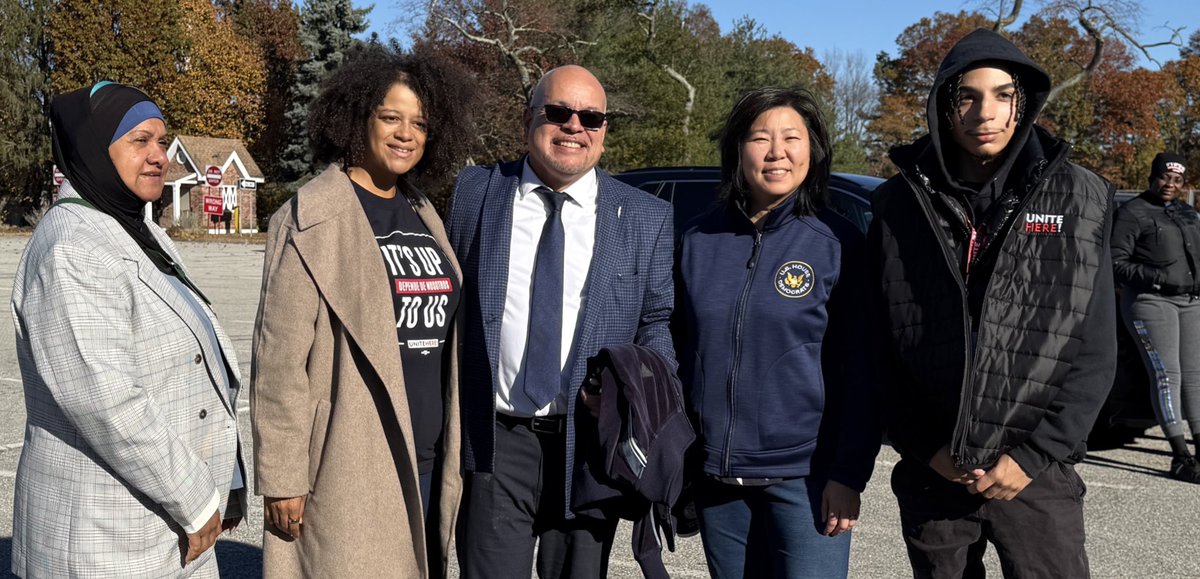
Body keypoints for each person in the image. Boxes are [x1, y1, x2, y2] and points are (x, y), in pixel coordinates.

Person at [867, 29, 1117, 578]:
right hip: (936, 472)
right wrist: (924, 445)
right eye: (968, 97)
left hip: (1034, 476)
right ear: (944, 105)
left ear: (1022, 103)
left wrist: (1035, 455)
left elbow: (1095, 348)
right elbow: (880, 345)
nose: (985, 113)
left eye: (1003, 95)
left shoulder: (1083, 197)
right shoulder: (896, 203)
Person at [251, 44, 474, 577]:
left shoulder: (423, 211)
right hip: (349, 459)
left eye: (420, 123)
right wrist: (282, 476)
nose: (406, 134)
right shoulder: (311, 216)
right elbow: (279, 360)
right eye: (391, 117)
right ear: (358, 119)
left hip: (427, 452)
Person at [445, 64, 675, 579]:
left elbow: (655, 320)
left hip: (588, 447)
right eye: (558, 112)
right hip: (496, 442)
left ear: (604, 131)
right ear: (528, 119)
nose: (574, 126)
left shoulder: (645, 216)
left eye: (591, 117)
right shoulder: (476, 192)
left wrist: (640, 396)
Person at [11, 81, 245, 576]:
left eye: (162, 141)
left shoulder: (136, 230)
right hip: (103, 535)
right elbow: (106, 400)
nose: (159, 155)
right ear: (96, 149)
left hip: (159, 525)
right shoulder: (72, 248)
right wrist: (196, 496)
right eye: (140, 141)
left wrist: (224, 480)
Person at [675, 86, 880, 579]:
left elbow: (866, 371)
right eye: (759, 137)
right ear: (737, 149)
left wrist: (848, 474)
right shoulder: (698, 239)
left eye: (791, 137)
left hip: (806, 479)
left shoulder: (838, 243)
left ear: (813, 149)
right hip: (718, 479)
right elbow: (677, 351)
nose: (776, 152)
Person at [1111, 152, 1200, 484]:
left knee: (1195, 378)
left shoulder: (1187, 213)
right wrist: (1157, 278)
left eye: (1177, 180)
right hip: (1150, 301)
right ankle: (1180, 456)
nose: (1170, 184)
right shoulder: (1133, 212)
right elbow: (1115, 261)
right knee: (1167, 376)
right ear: (1153, 176)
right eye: (1164, 177)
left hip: (1190, 302)